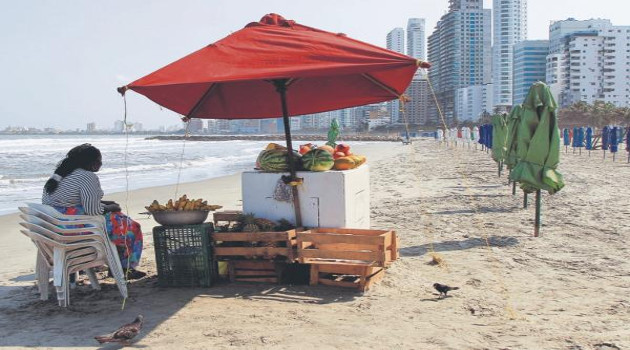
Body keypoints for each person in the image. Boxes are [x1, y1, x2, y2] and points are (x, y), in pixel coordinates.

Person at [42, 144, 146, 280]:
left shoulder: (59, 177)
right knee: (131, 226)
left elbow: (72, 203)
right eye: (99, 160)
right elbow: (92, 210)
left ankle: (118, 261)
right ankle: (125, 267)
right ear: (90, 162)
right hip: (74, 231)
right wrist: (110, 207)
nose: (101, 163)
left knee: (117, 219)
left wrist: (105, 204)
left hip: (55, 230)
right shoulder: (87, 177)